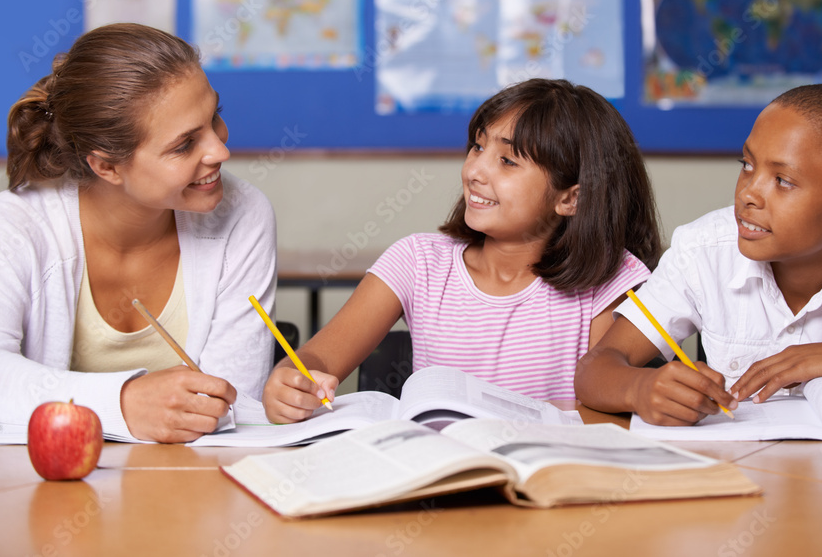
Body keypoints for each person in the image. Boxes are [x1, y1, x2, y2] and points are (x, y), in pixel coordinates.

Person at [263, 78, 662, 423]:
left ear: (570, 199)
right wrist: (293, 381)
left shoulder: (612, 279)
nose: (474, 171)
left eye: (507, 161)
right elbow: (316, 360)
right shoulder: (418, 262)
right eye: (477, 147)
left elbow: (603, 405)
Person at [575, 83, 822, 425]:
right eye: (747, 164)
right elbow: (595, 369)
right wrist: (640, 387)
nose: (748, 193)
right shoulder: (704, 250)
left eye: (783, 180)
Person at [0, 23, 276, 443]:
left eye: (215, 117)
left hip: (192, 485)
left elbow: (232, 405)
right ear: (106, 166)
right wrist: (123, 402)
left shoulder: (243, 214)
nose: (221, 150)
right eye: (185, 144)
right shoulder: (17, 225)